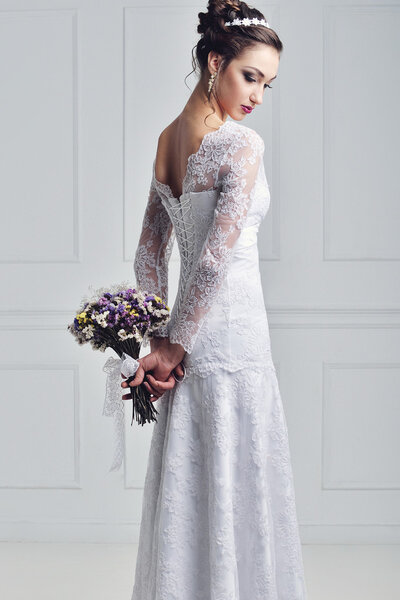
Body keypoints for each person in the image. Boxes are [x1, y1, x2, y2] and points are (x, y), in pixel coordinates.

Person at [121, 0, 308, 597]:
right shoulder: (241, 145)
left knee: (195, 477)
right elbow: (211, 260)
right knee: (238, 475)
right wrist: (170, 348)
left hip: (187, 345)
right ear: (214, 60)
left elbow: (149, 257)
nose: (257, 95)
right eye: (250, 75)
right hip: (230, 343)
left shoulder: (166, 140)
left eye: (267, 84)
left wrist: (160, 343)